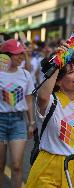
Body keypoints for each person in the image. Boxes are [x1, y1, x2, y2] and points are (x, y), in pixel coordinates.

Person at [25, 42, 74, 188]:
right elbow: (42, 97)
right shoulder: (51, 101)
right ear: (58, 81)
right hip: (49, 169)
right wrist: (58, 61)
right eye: (71, 72)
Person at [0, 39, 35, 188]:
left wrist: (31, 122)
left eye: (22, 54)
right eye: (16, 54)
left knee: (16, 165)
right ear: (6, 55)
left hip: (18, 122)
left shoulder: (26, 75)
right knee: (0, 166)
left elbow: (28, 101)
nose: (20, 57)